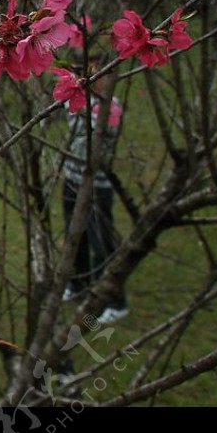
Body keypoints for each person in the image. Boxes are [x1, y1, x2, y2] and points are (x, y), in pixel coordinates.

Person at [60, 67, 128, 324]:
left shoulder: (113, 106)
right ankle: (78, 285)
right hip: (72, 179)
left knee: (102, 243)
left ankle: (115, 300)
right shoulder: (74, 98)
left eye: (100, 75)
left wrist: (82, 101)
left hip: (97, 185)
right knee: (75, 236)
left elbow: (101, 130)